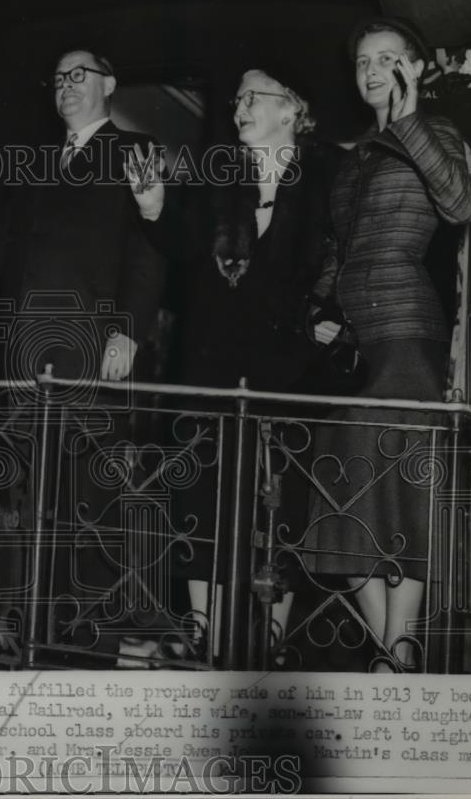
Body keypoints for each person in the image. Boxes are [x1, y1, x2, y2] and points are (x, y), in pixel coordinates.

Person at [129, 64, 341, 664]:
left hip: (290, 374)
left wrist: (333, 317)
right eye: (239, 97)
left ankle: (268, 647)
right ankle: (206, 638)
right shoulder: (218, 176)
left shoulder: (328, 175)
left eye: (255, 97)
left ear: (291, 110)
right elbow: (182, 248)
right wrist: (152, 208)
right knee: (201, 503)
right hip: (211, 370)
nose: (240, 107)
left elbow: (346, 256)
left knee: (282, 510)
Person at [0, 49, 165, 665]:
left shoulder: (132, 154)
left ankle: (87, 648)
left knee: (91, 499)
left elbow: (150, 250)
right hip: (26, 355)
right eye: (57, 77)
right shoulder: (33, 163)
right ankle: (26, 632)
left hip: (91, 351)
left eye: (78, 74)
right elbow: (6, 260)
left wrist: (129, 331)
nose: (65, 85)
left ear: (110, 83)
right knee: (28, 497)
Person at [306, 17, 471, 671]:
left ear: (414, 69)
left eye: (386, 59)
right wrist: (317, 311)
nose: (372, 71)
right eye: (362, 63)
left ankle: (396, 648)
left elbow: (463, 205)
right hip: (360, 342)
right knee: (339, 478)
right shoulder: (355, 157)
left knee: (404, 481)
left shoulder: (434, 133)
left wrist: (410, 122)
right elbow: (339, 252)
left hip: (408, 334)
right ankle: (392, 650)